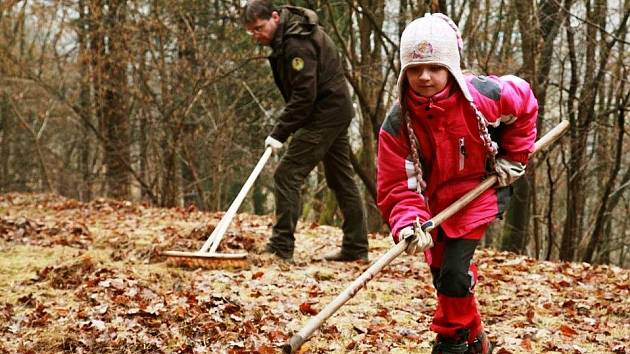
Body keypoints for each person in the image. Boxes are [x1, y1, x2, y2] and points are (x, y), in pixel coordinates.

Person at [376, 13, 537, 354]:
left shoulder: (483, 96)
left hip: (478, 193)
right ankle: (477, 338)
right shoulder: (398, 123)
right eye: (415, 69)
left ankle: (451, 339)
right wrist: (407, 222)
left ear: (450, 66)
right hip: (433, 206)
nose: (424, 76)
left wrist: (514, 157)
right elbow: (396, 184)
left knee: (453, 271)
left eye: (434, 67)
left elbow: (524, 103)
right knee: (442, 276)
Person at [242, 0, 368, 263]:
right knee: (340, 178)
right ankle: (356, 248)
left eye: (259, 28)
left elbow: (303, 96)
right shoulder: (288, 36)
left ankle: (281, 247)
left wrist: (279, 132)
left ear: (275, 17)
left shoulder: (297, 43)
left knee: (287, 174)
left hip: (326, 114)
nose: (256, 35)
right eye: (251, 31)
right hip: (331, 111)